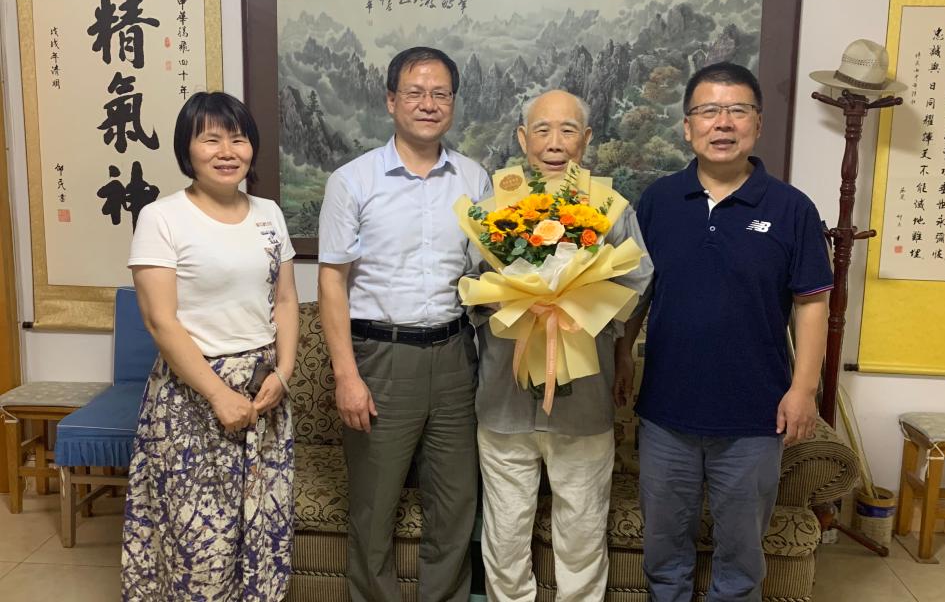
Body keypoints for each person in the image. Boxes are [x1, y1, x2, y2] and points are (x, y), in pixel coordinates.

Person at [623, 62, 833, 602]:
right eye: (709, 111)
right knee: (663, 547)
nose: (723, 123)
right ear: (687, 126)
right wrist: (622, 354)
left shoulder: (791, 208)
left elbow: (812, 303)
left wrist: (803, 388)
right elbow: (637, 291)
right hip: (666, 410)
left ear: (757, 124)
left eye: (737, 110)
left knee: (740, 555)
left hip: (753, 414)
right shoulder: (659, 200)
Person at [317, 46, 490, 602]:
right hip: (380, 360)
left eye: (440, 94)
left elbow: (489, 274)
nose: (428, 103)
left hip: (456, 357)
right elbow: (331, 283)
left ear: (453, 103)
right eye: (415, 92)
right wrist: (346, 375)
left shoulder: (475, 179)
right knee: (374, 506)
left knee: (456, 503)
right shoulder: (353, 180)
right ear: (391, 100)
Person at [475, 89, 652, 601]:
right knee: (505, 532)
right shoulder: (493, 207)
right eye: (543, 130)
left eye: (568, 129)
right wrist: (515, 300)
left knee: (582, 529)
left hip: (584, 399)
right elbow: (465, 285)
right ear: (522, 138)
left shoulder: (610, 208)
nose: (555, 143)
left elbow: (639, 279)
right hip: (504, 397)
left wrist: (578, 304)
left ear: (586, 139)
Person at [122, 92, 299, 600]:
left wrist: (283, 373)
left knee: (262, 533)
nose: (227, 152)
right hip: (192, 397)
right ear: (187, 150)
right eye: (211, 139)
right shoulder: (162, 217)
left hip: (264, 395)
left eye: (238, 139)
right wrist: (219, 395)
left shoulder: (268, 213)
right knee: (199, 543)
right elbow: (160, 321)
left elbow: (285, 299)